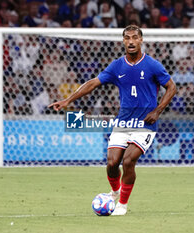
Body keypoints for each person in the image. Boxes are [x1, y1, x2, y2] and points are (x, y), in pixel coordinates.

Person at [49, 25, 176, 215]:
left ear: (141, 40)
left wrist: (158, 111)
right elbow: (92, 83)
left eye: (134, 37)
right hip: (124, 122)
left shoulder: (152, 65)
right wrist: (68, 100)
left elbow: (171, 87)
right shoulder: (117, 66)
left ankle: (122, 205)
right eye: (127, 38)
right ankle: (115, 192)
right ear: (123, 41)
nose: (131, 41)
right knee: (111, 163)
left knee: (128, 160)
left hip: (145, 124)